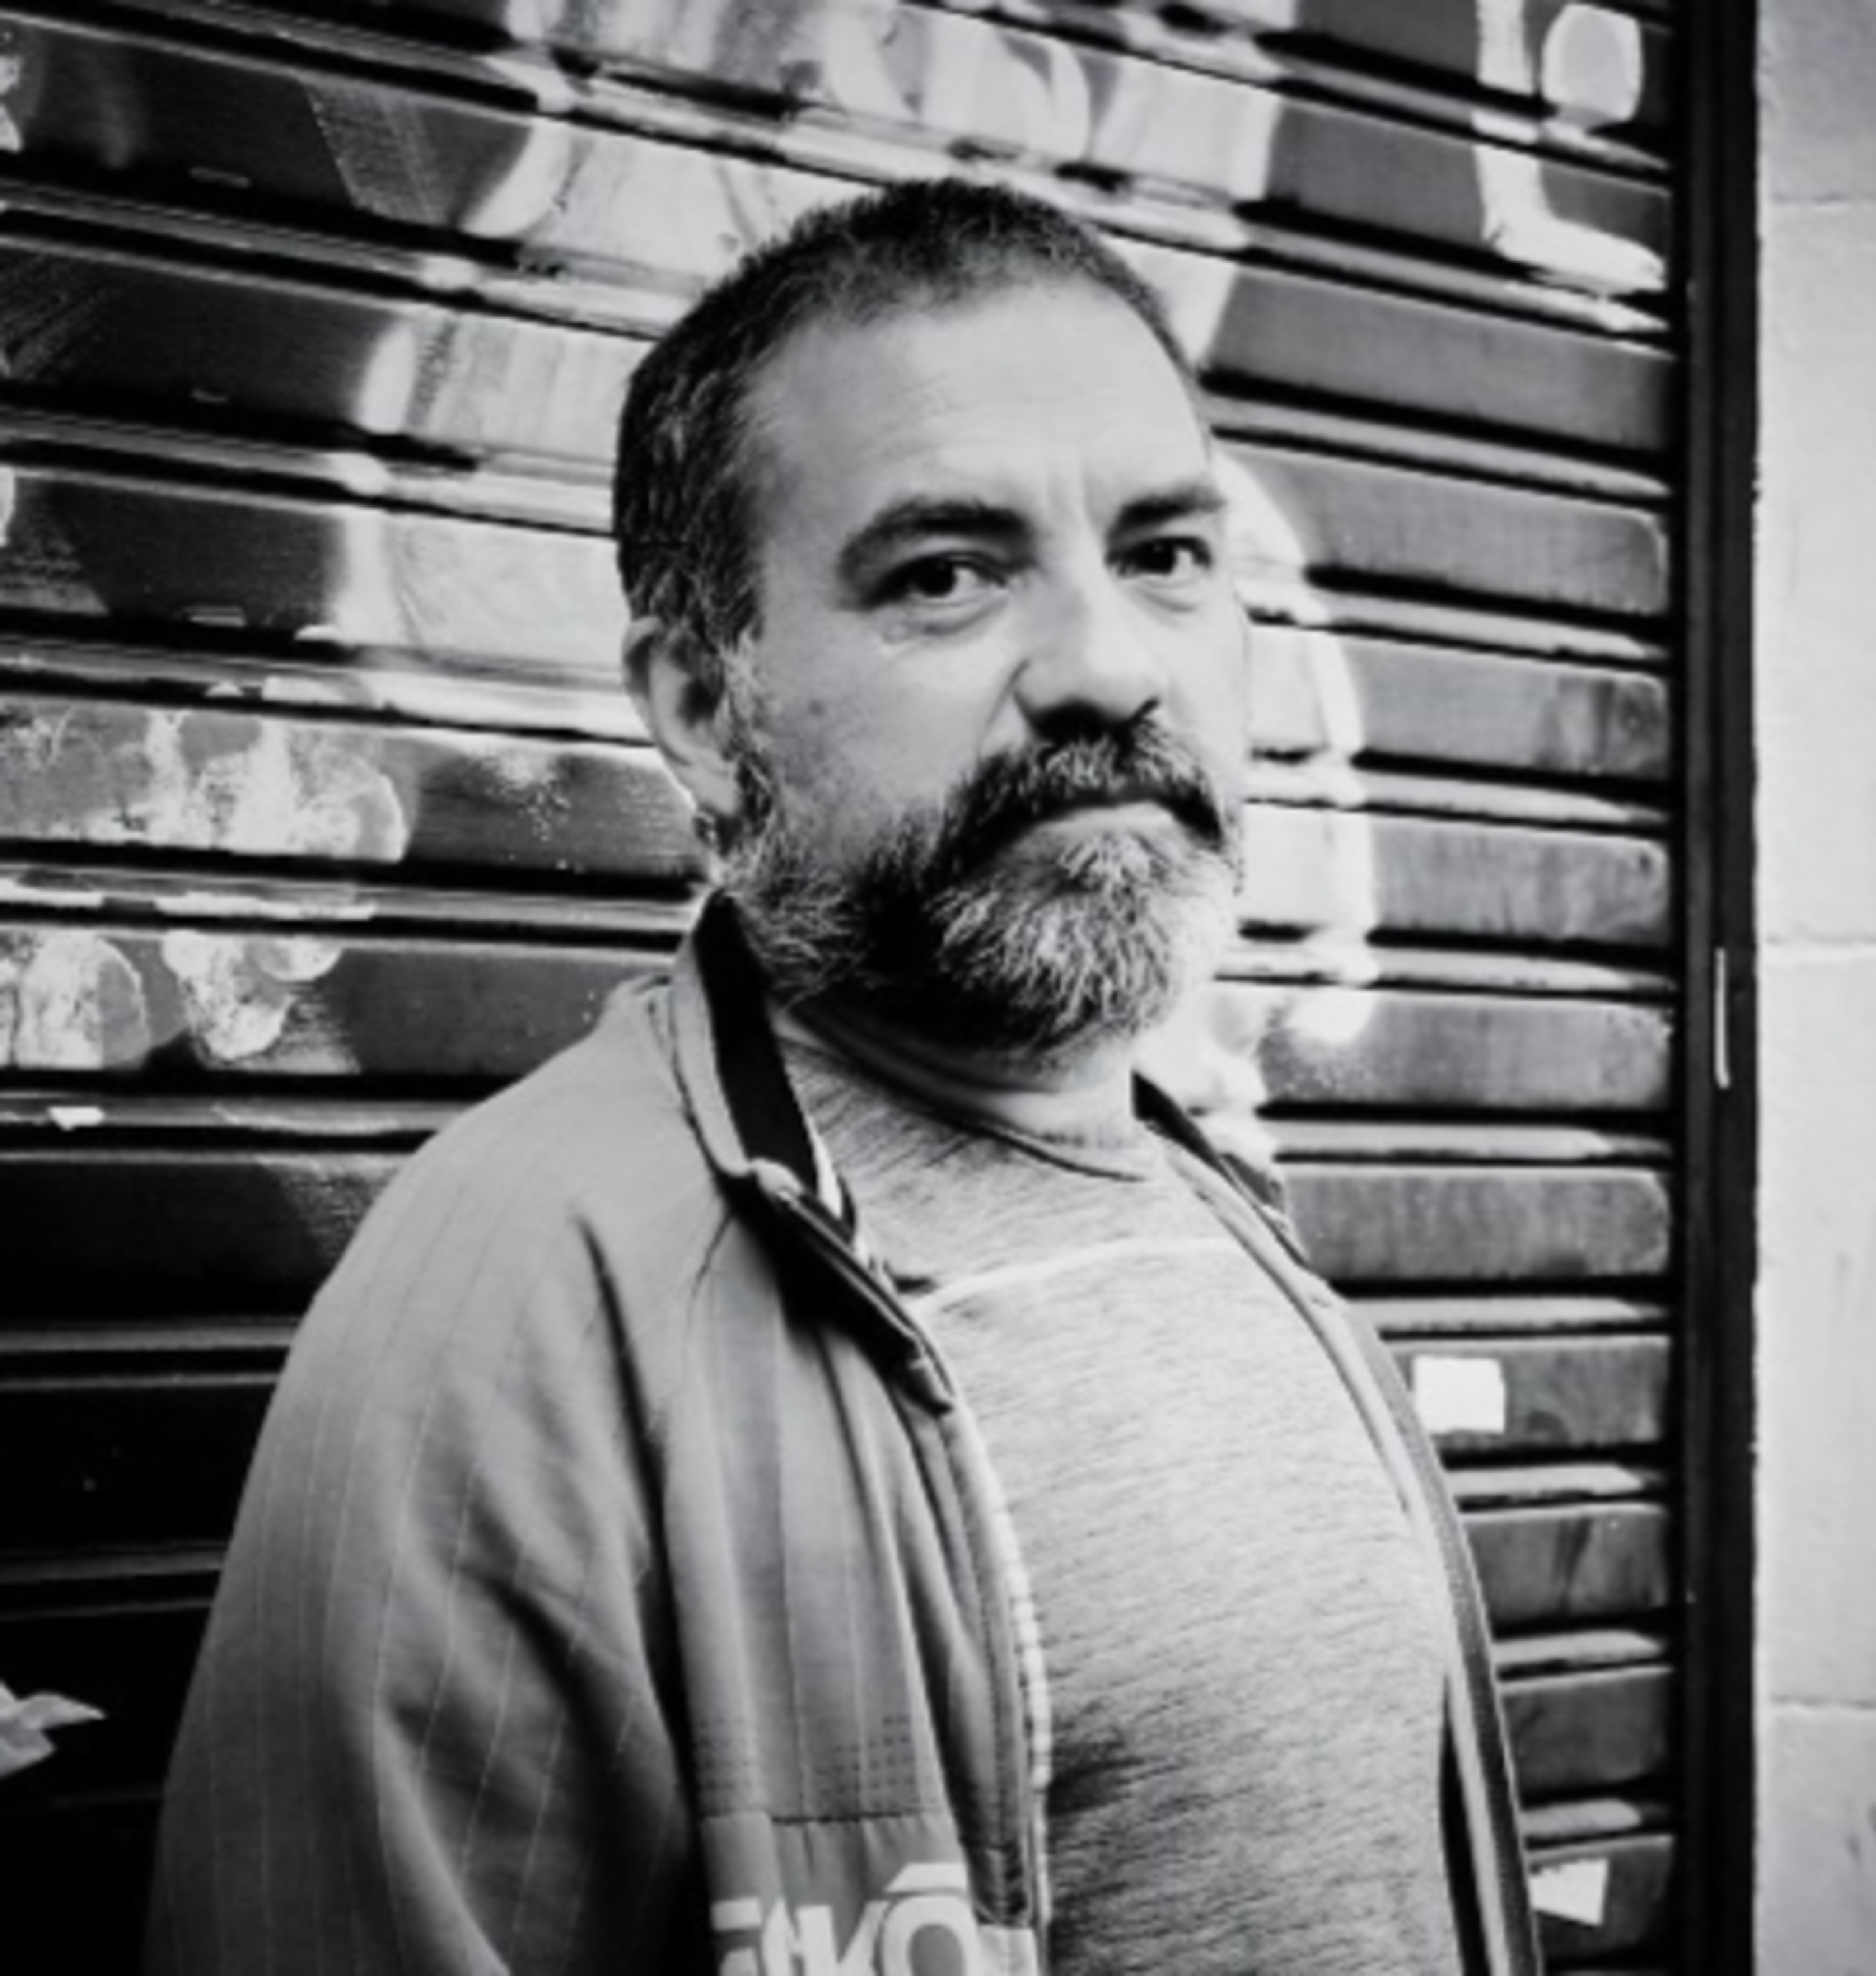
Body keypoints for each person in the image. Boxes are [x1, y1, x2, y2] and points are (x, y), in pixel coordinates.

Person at [146, 177, 1537, 1975]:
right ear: (704, 709)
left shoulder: (1211, 1210)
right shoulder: (514, 1298)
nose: (1109, 667)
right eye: (945, 574)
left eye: (1164, 555)